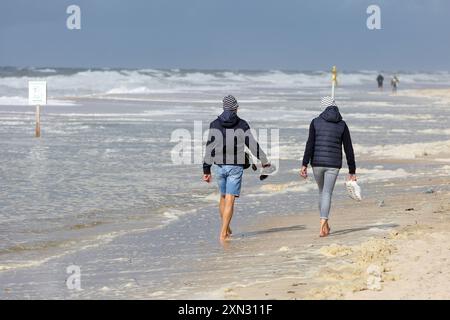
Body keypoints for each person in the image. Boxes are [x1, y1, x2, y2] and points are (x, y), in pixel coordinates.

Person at [203, 95, 272, 243]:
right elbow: (252, 145)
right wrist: (264, 161)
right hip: (235, 166)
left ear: (223, 108)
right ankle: (223, 233)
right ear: (235, 108)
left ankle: (226, 228)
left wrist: (206, 170)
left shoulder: (215, 124)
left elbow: (209, 148)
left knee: (223, 196)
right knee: (230, 198)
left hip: (219, 165)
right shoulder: (241, 124)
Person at [300, 97, 357, 237]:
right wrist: (352, 170)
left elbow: (310, 144)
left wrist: (304, 164)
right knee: (326, 193)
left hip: (317, 164)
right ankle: (323, 224)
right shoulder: (342, 124)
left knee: (322, 193)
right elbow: (348, 148)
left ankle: (324, 224)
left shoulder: (315, 122)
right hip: (333, 164)